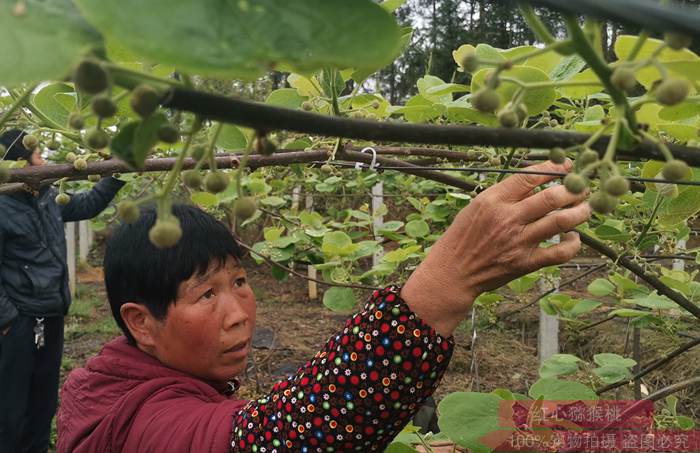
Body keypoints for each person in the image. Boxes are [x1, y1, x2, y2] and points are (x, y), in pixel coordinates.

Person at [57, 159, 590, 452]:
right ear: (140, 323)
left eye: (240, 280)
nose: (240, 310)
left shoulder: (113, 383)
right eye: (206, 294)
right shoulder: (144, 421)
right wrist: (446, 282)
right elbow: (278, 438)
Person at [0, 129, 126, 453]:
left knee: (43, 403)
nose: (44, 159)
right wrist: (8, 318)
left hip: (52, 313)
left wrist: (114, 171)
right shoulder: (2, 207)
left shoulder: (46, 196)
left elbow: (87, 205)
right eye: (38, 153)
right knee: (10, 409)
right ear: (19, 161)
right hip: (19, 323)